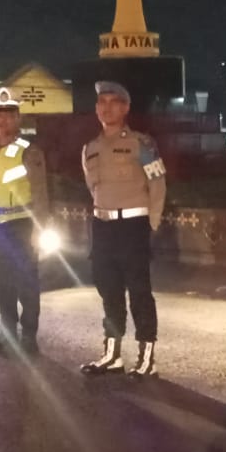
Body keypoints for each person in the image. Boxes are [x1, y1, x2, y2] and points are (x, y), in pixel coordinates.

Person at [79, 80, 166, 378]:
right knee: (108, 290)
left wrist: (151, 224)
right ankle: (112, 354)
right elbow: (92, 188)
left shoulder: (142, 144)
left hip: (133, 226)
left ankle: (146, 357)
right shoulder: (90, 148)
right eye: (101, 102)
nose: (107, 108)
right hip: (103, 227)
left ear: (125, 108)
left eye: (114, 102)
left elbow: (158, 184)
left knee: (140, 292)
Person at [0, 87, 50, 356]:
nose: (2, 119)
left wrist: (39, 229)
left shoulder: (29, 151)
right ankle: (6, 334)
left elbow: (41, 193)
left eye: (8, 114)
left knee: (26, 282)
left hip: (21, 225)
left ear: (18, 117)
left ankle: (28, 337)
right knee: (1, 283)